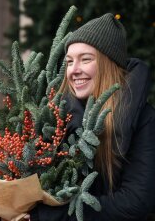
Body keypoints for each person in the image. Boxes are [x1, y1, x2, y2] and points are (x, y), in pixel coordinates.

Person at [30, 13, 155, 220]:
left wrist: (52, 215)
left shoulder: (144, 119)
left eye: (85, 59)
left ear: (108, 63)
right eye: (69, 62)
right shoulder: (56, 120)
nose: (74, 70)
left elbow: (136, 201)